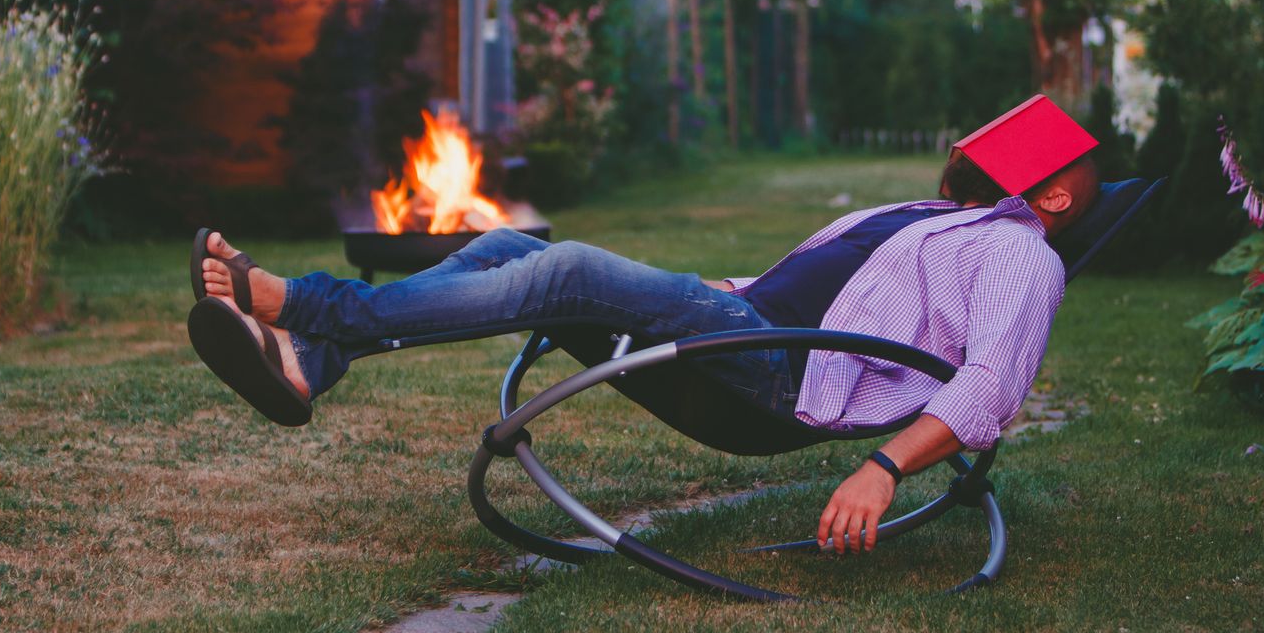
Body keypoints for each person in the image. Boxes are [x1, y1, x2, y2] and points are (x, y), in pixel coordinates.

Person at [187, 96, 1100, 557]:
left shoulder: (1026, 251)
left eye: (1022, 147)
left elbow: (993, 384)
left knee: (572, 268)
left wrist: (882, 466)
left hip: (778, 377)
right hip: (751, 324)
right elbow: (791, 283)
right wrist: (679, 287)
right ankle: (308, 363)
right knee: (508, 241)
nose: (986, 145)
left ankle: (307, 311)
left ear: (1053, 192)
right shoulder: (938, 219)